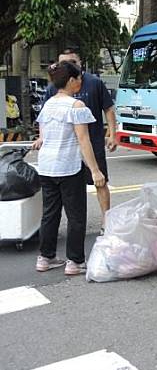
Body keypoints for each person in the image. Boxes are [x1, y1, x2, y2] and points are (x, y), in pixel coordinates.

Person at [35, 61, 106, 275]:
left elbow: (43, 136)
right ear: (72, 80)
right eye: (79, 79)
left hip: (46, 166)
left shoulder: (48, 104)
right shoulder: (76, 106)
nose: (80, 83)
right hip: (68, 166)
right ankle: (74, 262)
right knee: (76, 216)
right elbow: (83, 140)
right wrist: (95, 170)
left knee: (50, 214)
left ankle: (45, 258)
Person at [37, 48, 116, 233]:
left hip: (93, 142)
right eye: (63, 63)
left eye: (72, 62)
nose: (67, 66)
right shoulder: (54, 87)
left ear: (80, 63)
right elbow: (45, 116)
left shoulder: (94, 82)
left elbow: (109, 109)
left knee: (100, 181)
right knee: (68, 196)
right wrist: (42, 137)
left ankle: (106, 221)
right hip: (66, 151)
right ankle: (63, 244)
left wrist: (113, 134)